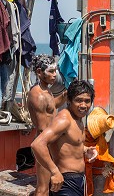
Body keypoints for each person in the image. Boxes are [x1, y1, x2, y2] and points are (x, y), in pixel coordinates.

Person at [31, 80, 98, 196]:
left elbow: (67, 144)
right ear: (69, 101)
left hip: (77, 180)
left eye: (87, 101)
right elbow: (37, 144)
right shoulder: (64, 119)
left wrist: (86, 149)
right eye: (78, 100)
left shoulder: (77, 118)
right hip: (66, 183)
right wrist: (54, 172)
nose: (83, 105)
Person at [27, 54, 67, 196]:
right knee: (43, 189)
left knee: (49, 187)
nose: (55, 75)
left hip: (49, 143)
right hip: (45, 145)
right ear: (39, 72)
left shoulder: (46, 90)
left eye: (55, 70)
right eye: (51, 71)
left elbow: (51, 106)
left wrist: (64, 96)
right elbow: (43, 128)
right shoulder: (38, 95)